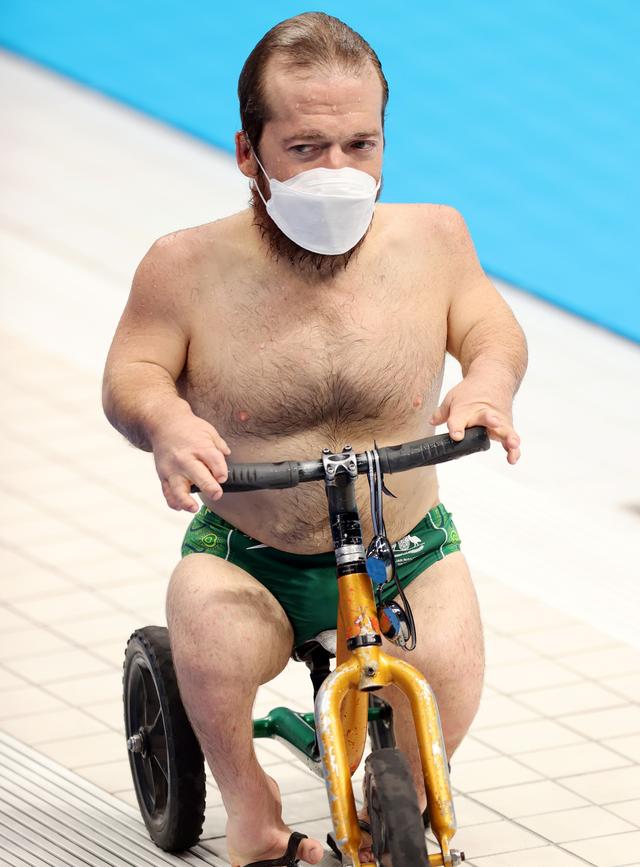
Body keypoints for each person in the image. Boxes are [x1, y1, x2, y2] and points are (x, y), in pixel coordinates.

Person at [103, 12, 527, 867]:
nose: (338, 172)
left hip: (402, 545)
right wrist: (168, 420)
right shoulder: (183, 266)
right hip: (250, 549)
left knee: (448, 675)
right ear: (246, 152)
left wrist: (486, 381)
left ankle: (395, 789)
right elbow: (133, 371)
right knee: (207, 626)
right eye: (304, 149)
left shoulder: (434, 238)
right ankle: (251, 811)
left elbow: (491, 326)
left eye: (359, 145)